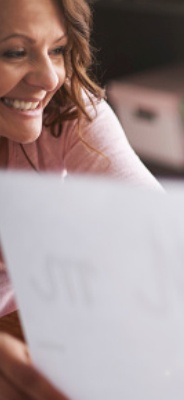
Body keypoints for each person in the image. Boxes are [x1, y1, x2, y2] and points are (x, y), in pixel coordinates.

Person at [0, 0, 161, 397]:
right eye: (15, 52)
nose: (50, 77)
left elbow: (159, 227)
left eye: (57, 50)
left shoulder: (68, 107)